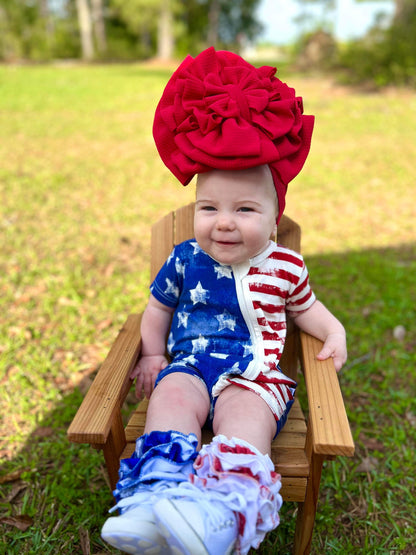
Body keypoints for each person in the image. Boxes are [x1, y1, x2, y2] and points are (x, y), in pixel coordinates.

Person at [101, 47, 347, 555]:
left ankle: (225, 513)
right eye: (209, 207)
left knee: (244, 416)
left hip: (254, 375)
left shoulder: (285, 266)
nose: (224, 221)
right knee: (170, 401)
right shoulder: (185, 258)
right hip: (190, 365)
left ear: (274, 220)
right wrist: (152, 354)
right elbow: (157, 308)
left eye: (245, 209)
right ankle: (156, 496)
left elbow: (306, 309)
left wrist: (334, 331)